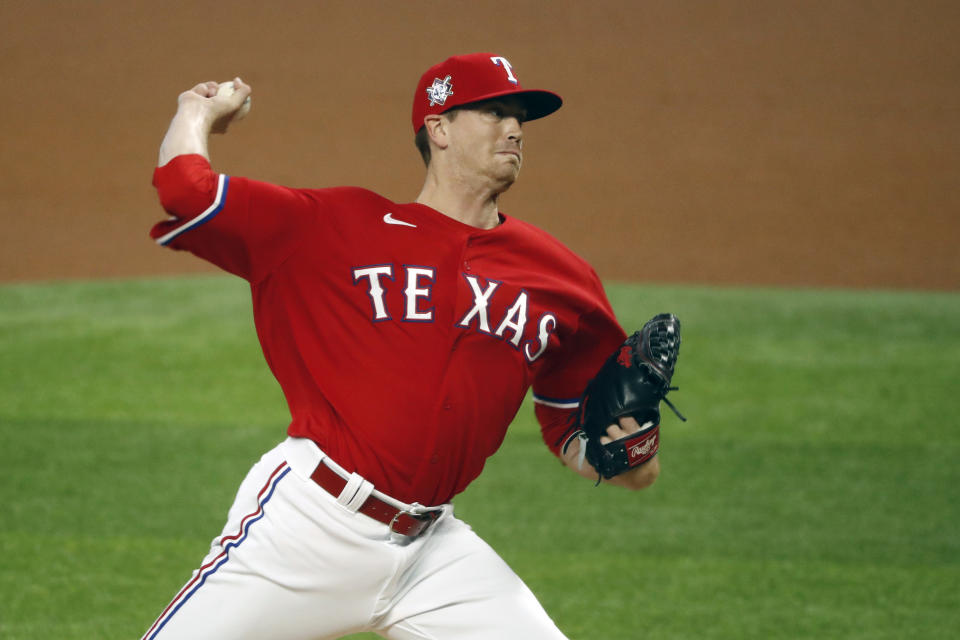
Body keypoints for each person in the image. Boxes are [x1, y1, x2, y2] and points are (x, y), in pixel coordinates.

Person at [141, 53, 660, 640]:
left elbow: (579, 438)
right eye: (493, 112)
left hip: (432, 555)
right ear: (438, 128)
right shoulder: (331, 226)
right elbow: (186, 192)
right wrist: (197, 111)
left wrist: (630, 456)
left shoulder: (563, 279)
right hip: (310, 527)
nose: (514, 129)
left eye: (520, 117)